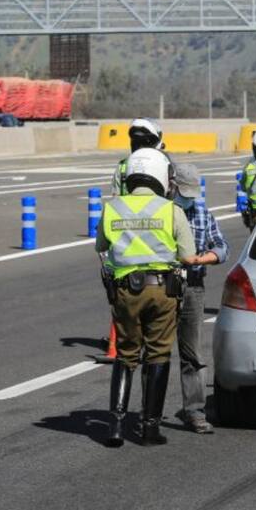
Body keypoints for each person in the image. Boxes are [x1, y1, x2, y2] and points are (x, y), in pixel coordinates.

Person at [96, 148, 212, 447]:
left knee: (126, 355)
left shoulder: (112, 208)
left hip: (124, 291)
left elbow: (101, 246)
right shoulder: (170, 210)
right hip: (162, 289)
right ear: (162, 177)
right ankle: (149, 429)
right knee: (158, 355)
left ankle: (116, 426)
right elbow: (187, 256)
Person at [172, 163, 228, 434]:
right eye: (184, 192)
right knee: (154, 354)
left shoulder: (202, 214)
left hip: (192, 286)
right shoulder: (163, 213)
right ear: (172, 186)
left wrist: (204, 257)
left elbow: (222, 246)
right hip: (163, 286)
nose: (188, 198)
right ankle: (149, 413)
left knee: (192, 353)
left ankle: (194, 411)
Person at [111, 118, 164, 196]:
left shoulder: (123, 165)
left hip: (126, 207)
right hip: (159, 207)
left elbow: (116, 196)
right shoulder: (163, 162)